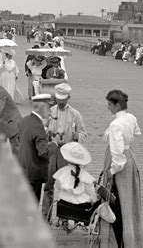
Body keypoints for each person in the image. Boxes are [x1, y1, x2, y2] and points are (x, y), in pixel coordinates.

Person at [100, 90, 143, 247]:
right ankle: (130, 237)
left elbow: (117, 156)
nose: (108, 108)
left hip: (119, 163)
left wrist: (111, 171)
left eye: (110, 105)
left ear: (117, 105)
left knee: (116, 202)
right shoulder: (130, 118)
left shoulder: (115, 124)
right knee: (128, 201)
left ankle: (117, 239)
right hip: (130, 157)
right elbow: (137, 132)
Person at [42, 83, 86, 219]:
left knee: (66, 185)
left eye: (63, 100)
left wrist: (76, 136)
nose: (60, 103)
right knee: (48, 183)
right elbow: (42, 129)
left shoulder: (75, 114)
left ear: (68, 98)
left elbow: (83, 133)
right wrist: (47, 133)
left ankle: (64, 217)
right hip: (52, 151)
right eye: (58, 100)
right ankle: (46, 215)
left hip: (67, 153)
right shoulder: (50, 112)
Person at [19, 94, 59, 202]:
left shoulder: (25, 120)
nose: (50, 112)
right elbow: (44, 152)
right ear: (43, 108)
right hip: (34, 174)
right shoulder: (38, 127)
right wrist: (54, 144)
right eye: (49, 108)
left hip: (23, 169)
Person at [52, 142, 98, 220]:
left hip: (65, 203)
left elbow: (57, 188)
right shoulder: (85, 175)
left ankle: (64, 221)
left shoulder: (62, 172)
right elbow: (91, 192)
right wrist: (95, 200)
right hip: (81, 205)